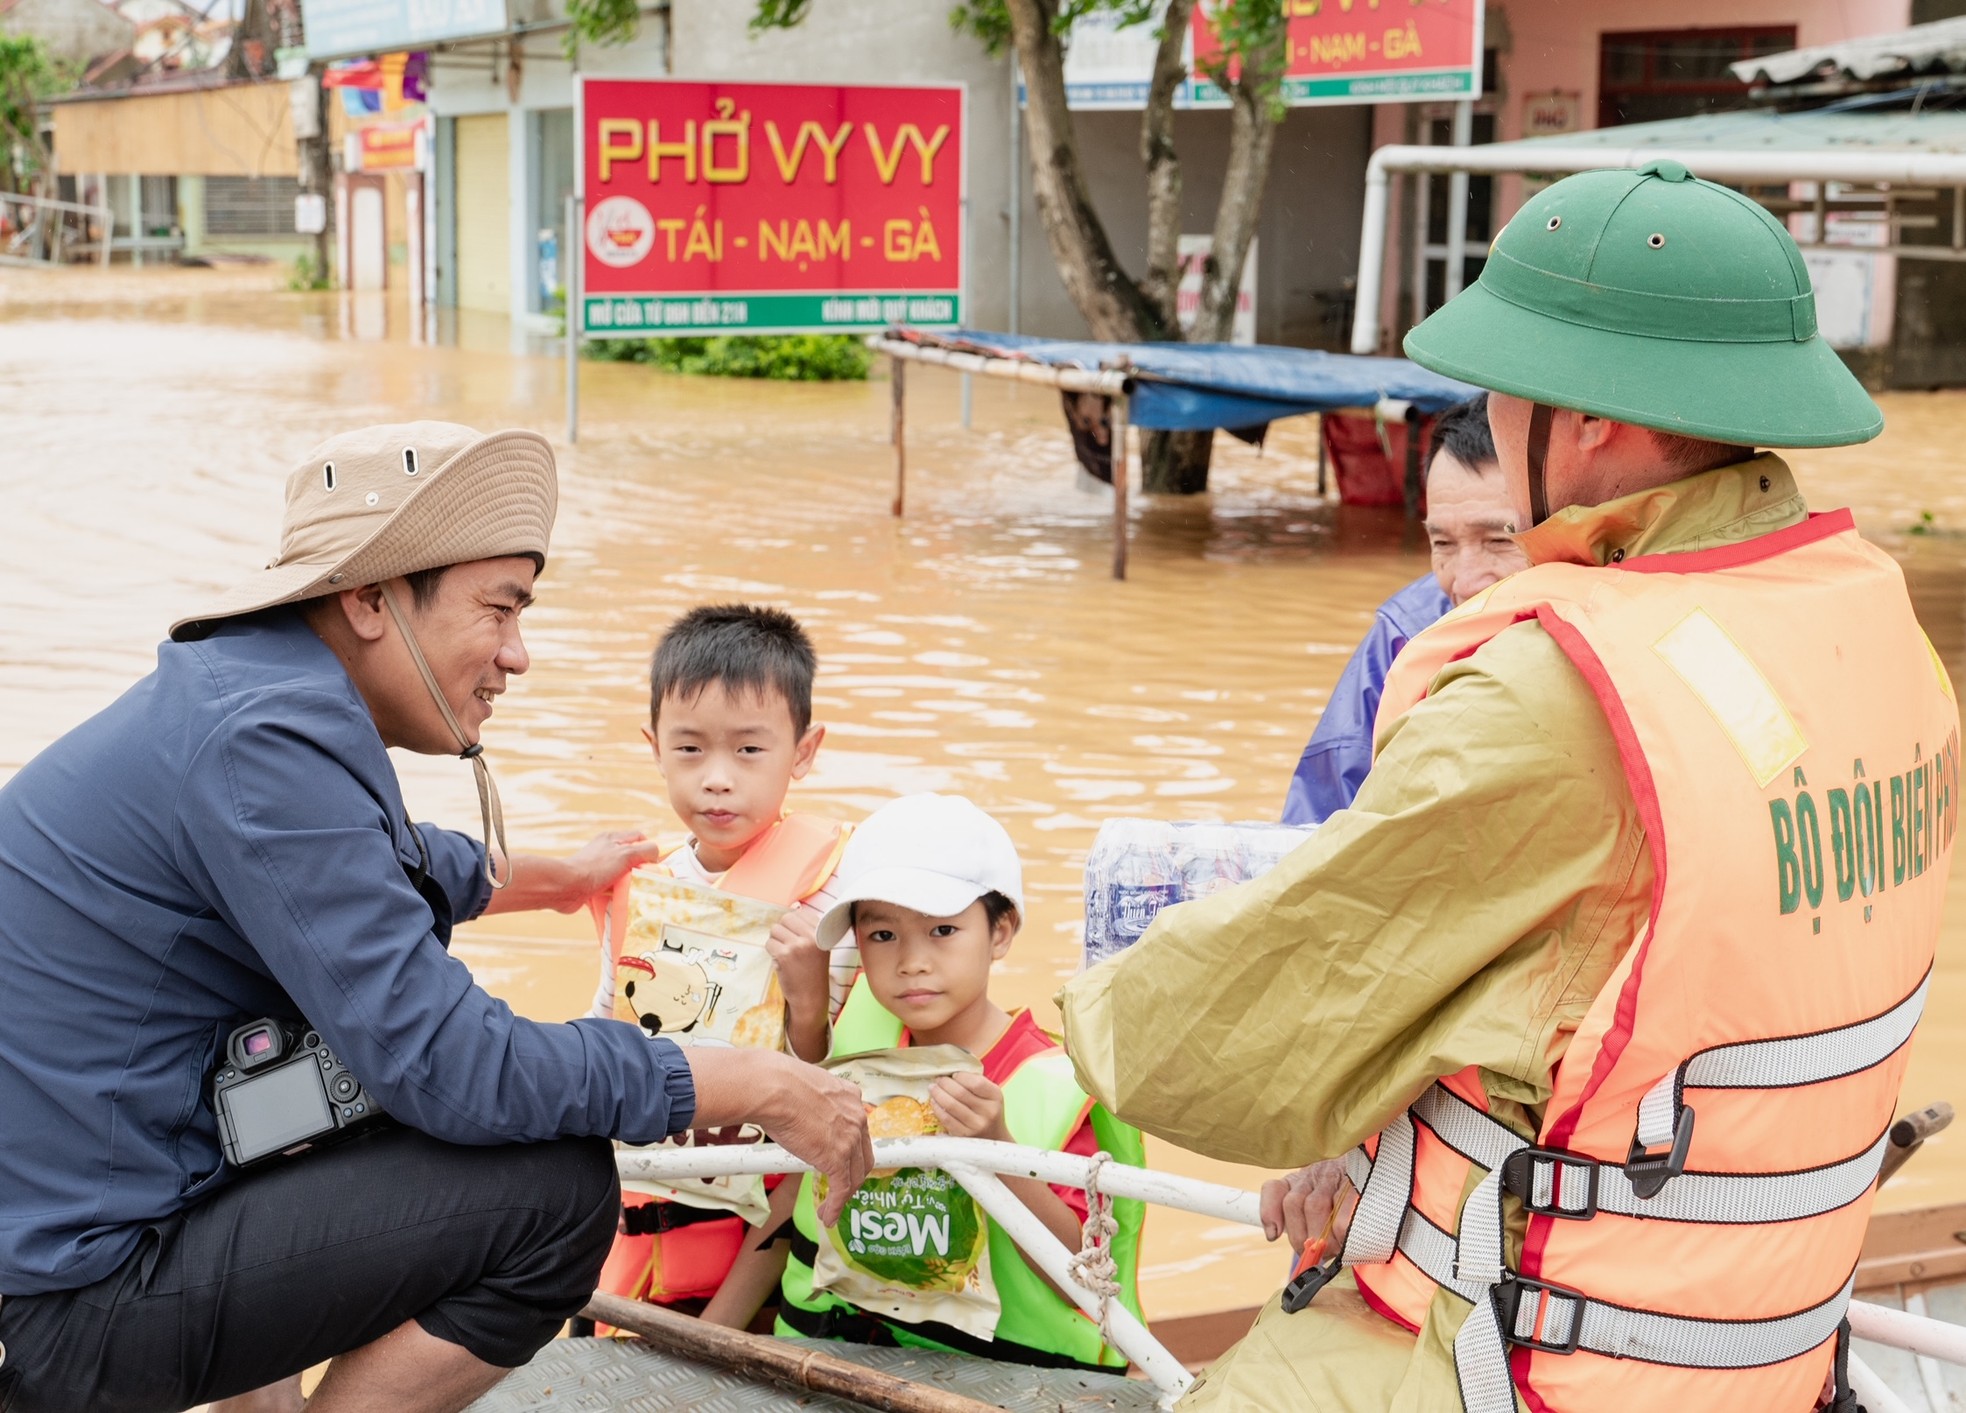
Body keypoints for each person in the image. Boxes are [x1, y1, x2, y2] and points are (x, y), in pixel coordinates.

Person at [1060, 160, 1955, 1412]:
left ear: (1582, 421)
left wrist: (1075, 1009)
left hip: (1528, 1362)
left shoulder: (1562, 689)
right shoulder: (1873, 632)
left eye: (1502, 385)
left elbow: (1216, 1038)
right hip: (1761, 1345)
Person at [0, 422, 873, 1413]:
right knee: (551, 1186)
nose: (519, 655)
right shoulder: (266, 740)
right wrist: (756, 1079)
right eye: (498, 611)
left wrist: (564, 876)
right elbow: (453, 1069)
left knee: (326, 1082)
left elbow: (396, 864)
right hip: (74, 1302)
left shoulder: (251, 693)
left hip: (68, 1235)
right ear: (372, 599)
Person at [759, 793, 1147, 1371]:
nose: (912, 962)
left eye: (943, 930)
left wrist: (999, 1148)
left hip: (1001, 1378)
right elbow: (793, 1162)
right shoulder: (854, 1033)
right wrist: (807, 1012)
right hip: (832, 1353)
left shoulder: (1061, 1086)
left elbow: (1087, 1280)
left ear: (1001, 932)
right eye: (883, 935)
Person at [589, 602, 857, 1322]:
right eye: (689, 749)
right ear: (654, 746)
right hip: (646, 1195)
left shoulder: (835, 895)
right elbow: (604, 1027)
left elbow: (835, 1082)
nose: (716, 778)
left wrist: (806, 995)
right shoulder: (643, 887)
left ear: (803, 750)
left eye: (748, 750)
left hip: (760, 1216)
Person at [1283, 394, 1528, 825]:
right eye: (1443, 545)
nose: (1465, 581)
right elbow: (1318, 825)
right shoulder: (1405, 634)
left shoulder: (1625, 624)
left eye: (1499, 540)